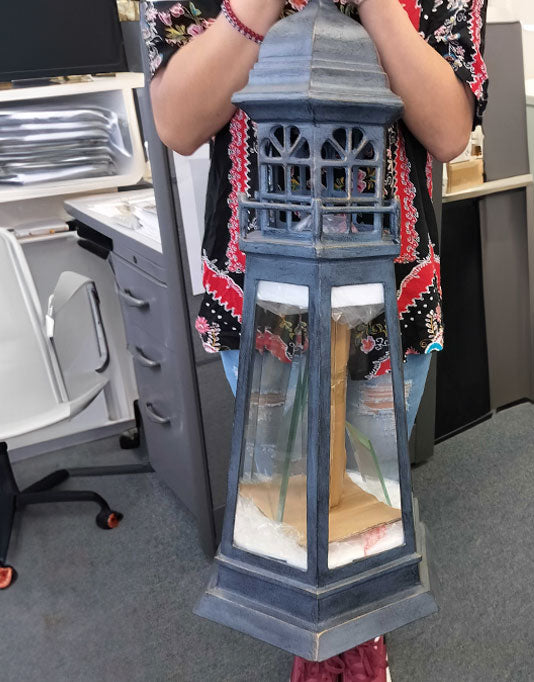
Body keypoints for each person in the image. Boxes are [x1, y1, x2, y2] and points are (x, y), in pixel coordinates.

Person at [145, 0, 487, 678]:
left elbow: (449, 132)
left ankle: (362, 644)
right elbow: (177, 122)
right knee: (282, 505)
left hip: (387, 299)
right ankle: (316, 645)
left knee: (367, 493)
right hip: (261, 298)